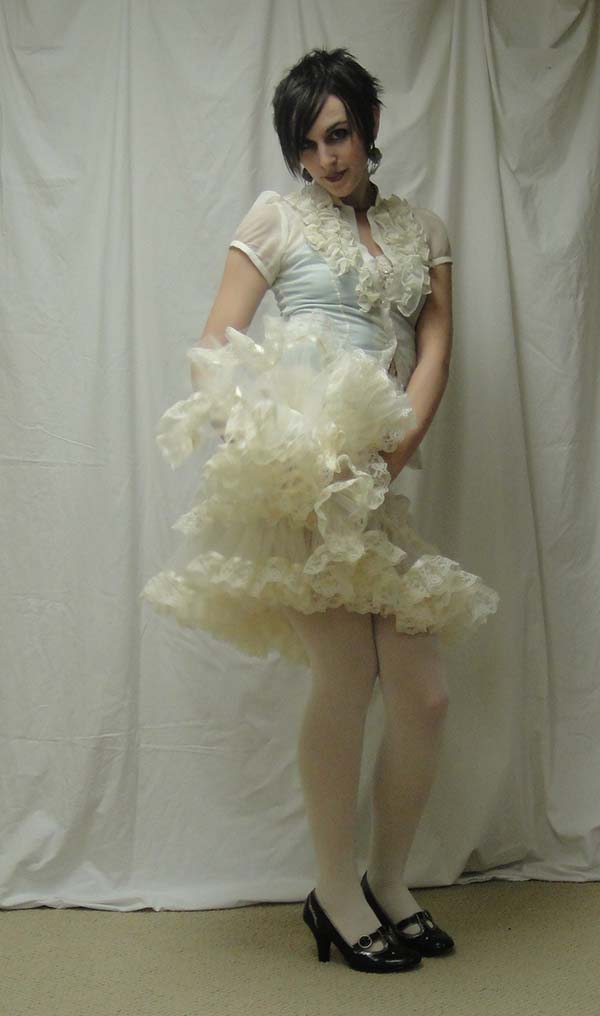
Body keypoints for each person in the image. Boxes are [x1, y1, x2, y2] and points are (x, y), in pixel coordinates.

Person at [141, 47, 499, 973]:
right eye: (307, 144)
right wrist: (273, 438)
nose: (325, 158)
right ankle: (334, 891)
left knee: (423, 695)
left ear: (368, 127)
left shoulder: (422, 228)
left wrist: (396, 450)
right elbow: (216, 342)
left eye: (337, 135)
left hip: (374, 476)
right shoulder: (278, 217)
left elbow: (435, 346)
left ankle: (388, 879)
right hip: (301, 476)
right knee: (345, 674)